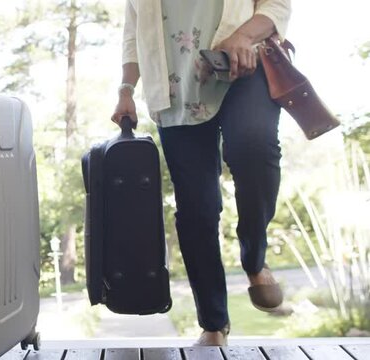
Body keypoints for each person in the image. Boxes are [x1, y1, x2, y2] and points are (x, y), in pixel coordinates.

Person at [111, 0, 291, 346]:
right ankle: (213, 323)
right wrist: (126, 90)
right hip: (175, 89)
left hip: (243, 65)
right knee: (197, 209)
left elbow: (277, 4)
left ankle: (254, 258)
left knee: (253, 149)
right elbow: (133, 34)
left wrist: (242, 35)